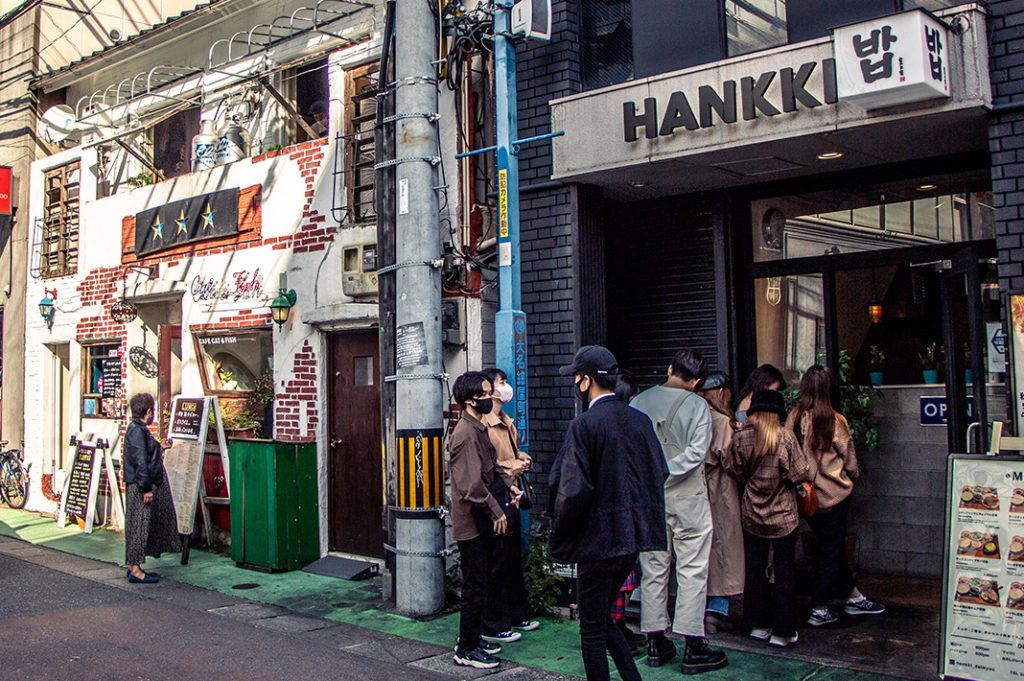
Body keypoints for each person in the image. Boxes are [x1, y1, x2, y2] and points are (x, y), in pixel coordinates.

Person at [549, 345, 668, 681]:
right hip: (633, 539)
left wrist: (561, 534)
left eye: (576, 377)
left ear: (585, 381)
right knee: (603, 617)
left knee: (591, 630)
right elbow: (660, 472)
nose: (575, 383)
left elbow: (571, 490)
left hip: (596, 541)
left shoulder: (584, 425)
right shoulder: (640, 420)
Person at [631, 348, 728, 674]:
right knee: (692, 570)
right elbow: (697, 454)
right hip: (688, 496)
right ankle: (692, 644)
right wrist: (669, 470)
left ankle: (656, 639)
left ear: (670, 368)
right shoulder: (698, 405)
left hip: (650, 498)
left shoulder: (639, 402)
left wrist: (651, 475)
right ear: (697, 381)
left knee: (653, 567)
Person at [786, 365, 885, 626]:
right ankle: (819, 608)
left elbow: (787, 454)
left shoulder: (794, 418)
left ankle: (853, 597)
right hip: (835, 495)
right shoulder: (834, 420)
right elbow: (850, 459)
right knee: (830, 550)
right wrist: (851, 476)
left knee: (831, 546)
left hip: (806, 498)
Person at [726, 390, 809, 647]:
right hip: (783, 514)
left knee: (755, 566)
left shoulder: (741, 436)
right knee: (783, 569)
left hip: (752, 511)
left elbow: (733, 469)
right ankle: (782, 631)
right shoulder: (784, 437)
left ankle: (756, 624)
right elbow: (800, 473)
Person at [449, 371, 509, 669]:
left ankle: (472, 637)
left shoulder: (478, 428)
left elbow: (491, 466)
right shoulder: (465, 433)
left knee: (482, 581)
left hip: (481, 519)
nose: (490, 397)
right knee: (474, 585)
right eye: (485, 394)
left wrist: (509, 485)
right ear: (470, 399)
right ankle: (466, 648)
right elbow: (471, 485)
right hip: (472, 522)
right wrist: (496, 510)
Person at [480, 367, 539, 639]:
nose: (506, 387)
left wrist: (521, 457)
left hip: (512, 498)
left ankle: (517, 615)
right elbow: (489, 467)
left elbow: (509, 455)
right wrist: (515, 465)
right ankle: (495, 623)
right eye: (502, 383)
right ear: (488, 390)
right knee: (498, 563)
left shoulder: (506, 421)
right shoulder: (485, 425)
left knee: (513, 560)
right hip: (496, 501)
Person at [696, 371, 743, 634]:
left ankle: (702, 609)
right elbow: (730, 459)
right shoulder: (722, 421)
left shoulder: (694, 415)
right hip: (721, 491)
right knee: (725, 551)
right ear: (721, 393)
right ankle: (717, 610)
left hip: (696, 490)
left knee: (703, 552)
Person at [123, 392, 181, 583]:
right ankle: (136, 570)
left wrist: (160, 446)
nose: (154, 414)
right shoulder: (137, 431)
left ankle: (133, 565)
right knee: (139, 526)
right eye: (153, 411)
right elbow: (140, 460)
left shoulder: (136, 429)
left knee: (137, 525)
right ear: (148, 412)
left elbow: (144, 452)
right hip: (141, 486)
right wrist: (146, 488)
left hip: (139, 484)